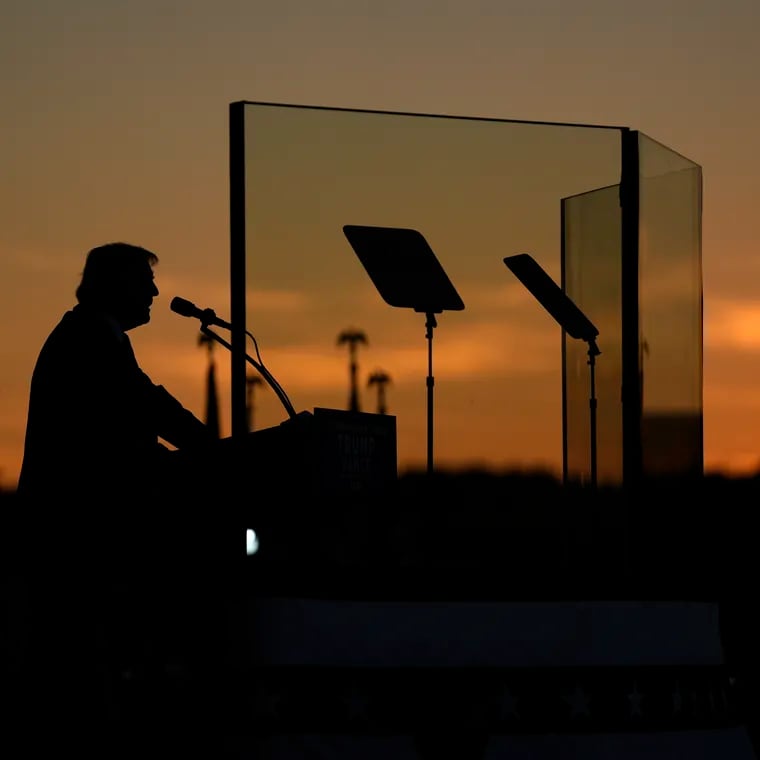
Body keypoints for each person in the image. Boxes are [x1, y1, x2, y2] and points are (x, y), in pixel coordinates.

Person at [14, 242, 220, 754]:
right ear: (113, 284)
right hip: (75, 542)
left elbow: (135, 413)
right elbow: (142, 406)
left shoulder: (91, 334)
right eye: (142, 280)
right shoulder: (89, 336)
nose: (154, 291)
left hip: (77, 540)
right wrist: (217, 454)